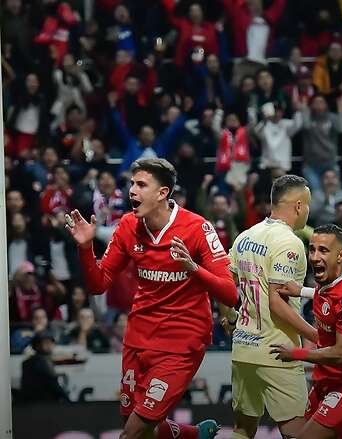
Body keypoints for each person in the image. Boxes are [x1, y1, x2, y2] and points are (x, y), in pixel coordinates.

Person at [66, 158, 237, 439]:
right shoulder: (127, 227)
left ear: (163, 193)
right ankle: (194, 435)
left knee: (132, 432)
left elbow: (230, 294)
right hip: (138, 337)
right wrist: (86, 248)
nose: (132, 190)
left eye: (141, 184)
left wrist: (194, 269)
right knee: (140, 426)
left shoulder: (197, 229)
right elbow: (99, 285)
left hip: (181, 344)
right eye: (132, 183)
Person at [219, 175, 318, 439]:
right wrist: (315, 335)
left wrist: (228, 315)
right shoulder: (290, 243)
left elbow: (223, 279)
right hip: (278, 351)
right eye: (307, 205)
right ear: (299, 206)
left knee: (243, 428)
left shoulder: (246, 236)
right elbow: (276, 301)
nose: (308, 210)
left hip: (243, 350)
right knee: (298, 432)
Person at [271, 224, 342, 439]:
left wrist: (296, 354)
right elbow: (331, 297)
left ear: (341, 255)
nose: (314, 256)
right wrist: (301, 291)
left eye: (323, 250)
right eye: (312, 249)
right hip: (327, 377)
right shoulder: (334, 276)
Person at [20, 331, 70, 403]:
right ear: (36, 345)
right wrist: (67, 399)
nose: (49, 345)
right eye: (45, 342)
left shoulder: (31, 361)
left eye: (51, 342)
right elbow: (52, 383)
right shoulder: (40, 361)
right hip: (42, 403)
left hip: (36, 403)